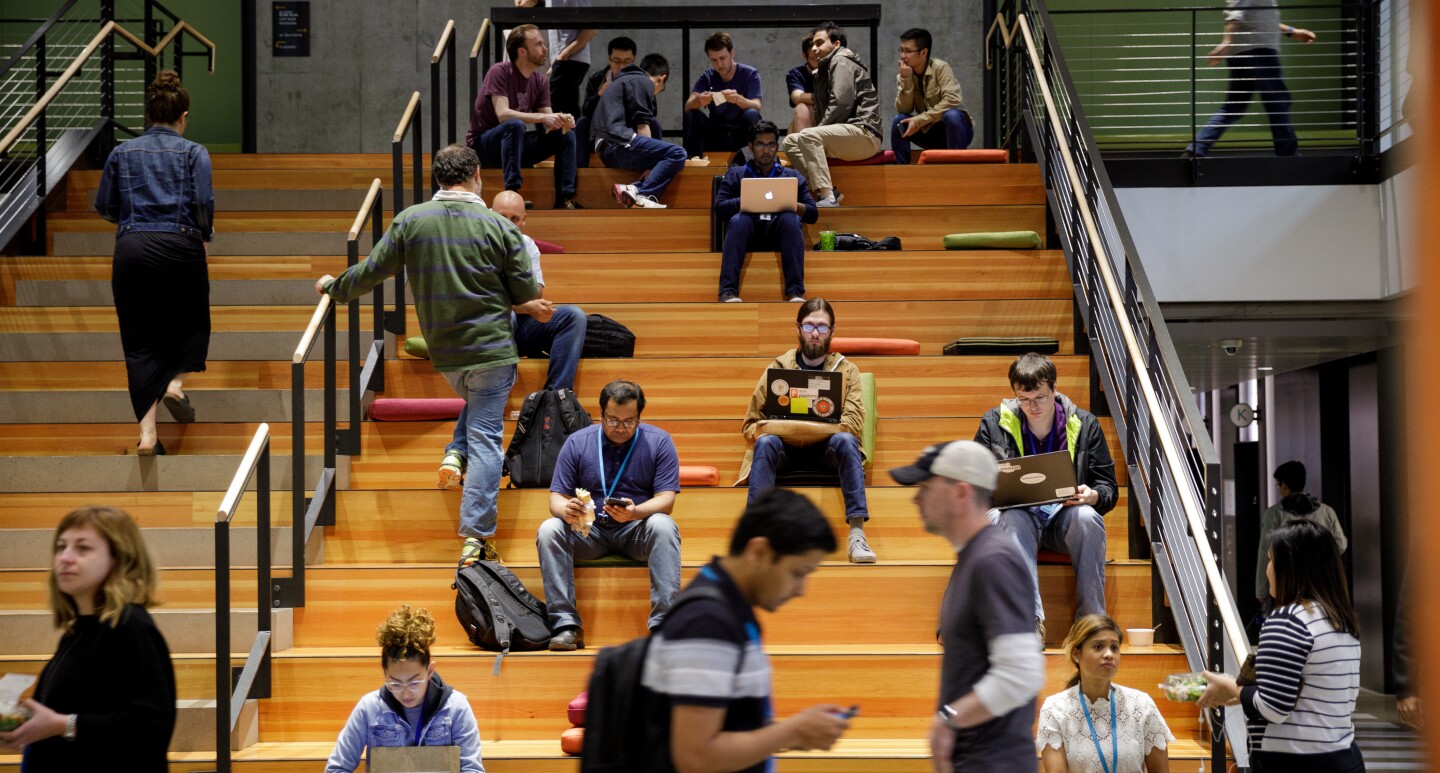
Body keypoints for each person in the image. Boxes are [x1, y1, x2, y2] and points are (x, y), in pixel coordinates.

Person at [317, 144, 537, 567]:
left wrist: (334, 287)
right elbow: (526, 293)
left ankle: (455, 455)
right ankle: (475, 536)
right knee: (487, 439)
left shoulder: (410, 221)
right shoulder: (501, 228)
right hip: (492, 348)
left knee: (477, 418)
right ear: (475, 176)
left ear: (438, 178)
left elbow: (372, 271)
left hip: (447, 354)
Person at [641, 487, 849, 772]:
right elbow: (696, 758)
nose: (801, 590)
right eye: (798, 573)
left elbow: (730, 725)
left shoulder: (729, 607)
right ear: (759, 552)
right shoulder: (707, 621)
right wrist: (793, 731)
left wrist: (791, 733)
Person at [889, 440, 1046, 769]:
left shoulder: (993, 560)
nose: (916, 498)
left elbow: (1022, 674)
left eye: (926, 487)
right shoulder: (975, 557)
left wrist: (948, 720)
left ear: (960, 493)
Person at [0, 506, 175, 771]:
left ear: (118, 558)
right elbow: (83, 709)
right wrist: (23, 723)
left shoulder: (129, 627)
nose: (65, 558)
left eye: (83, 548)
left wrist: (61, 724)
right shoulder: (79, 630)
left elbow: (150, 725)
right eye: (61, 547)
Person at [93, 70, 213, 456]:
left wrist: (133, 225)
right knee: (190, 320)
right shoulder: (194, 152)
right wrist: (201, 235)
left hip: (132, 248)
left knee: (139, 341)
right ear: (184, 117)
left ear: (149, 115)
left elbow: (105, 206)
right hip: (180, 245)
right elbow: (203, 205)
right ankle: (175, 384)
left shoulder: (121, 152)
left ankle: (147, 436)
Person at [437, 189, 587, 491]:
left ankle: (553, 402)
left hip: (520, 327)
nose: (508, 223)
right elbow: (476, 300)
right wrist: (518, 302)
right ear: (490, 214)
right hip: (487, 333)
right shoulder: (473, 243)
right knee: (489, 381)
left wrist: (515, 302)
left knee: (573, 316)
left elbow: (536, 293)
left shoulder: (526, 245)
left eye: (515, 219)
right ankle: (458, 451)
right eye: (502, 217)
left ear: (524, 220)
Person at [1197, 520, 1365, 770]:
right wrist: (1241, 696)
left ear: (1291, 566)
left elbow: (1272, 708)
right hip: (1344, 757)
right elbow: (1311, 695)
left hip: (1295, 762)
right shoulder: (1340, 619)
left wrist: (1232, 688)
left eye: (1271, 560)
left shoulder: (1287, 621)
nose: (1267, 571)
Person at [974, 352, 1118, 640]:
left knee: (1088, 518)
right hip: (1014, 518)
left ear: (1054, 389)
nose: (1033, 407)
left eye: (1040, 397)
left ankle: (1090, 628)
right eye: (1024, 400)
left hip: (1063, 520)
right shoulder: (994, 422)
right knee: (1013, 517)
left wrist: (1093, 495)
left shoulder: (1084, 423)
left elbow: (1108, 487)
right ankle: (1029, 623)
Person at [539, 380, 682, 651]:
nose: (621, 428)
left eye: (630, 421)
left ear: (640, 416)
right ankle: (566, 625)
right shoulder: (577, 442)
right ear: (601, 414)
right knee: (549, 529)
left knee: (663, 524)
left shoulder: (659, 441)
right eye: (613, 420)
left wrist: (636, 512)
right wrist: (566, 510)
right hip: (588, 531)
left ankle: (665, 626)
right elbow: (556, 498)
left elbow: (667, 500)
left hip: (635, 530)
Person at [737, 299, 875, 563]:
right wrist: (806, 428)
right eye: (809, 325)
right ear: (798, 328)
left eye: (822, 327)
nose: (815, 333)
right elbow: (751, 425)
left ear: (832, 331)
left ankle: (857, 533)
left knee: (846, 441)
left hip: (828, 453)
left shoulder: (847, 370)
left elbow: (852, 425)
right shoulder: (778, 368)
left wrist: (787, 426)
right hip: (784, 452)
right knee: (765, 444)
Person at [326, 606, 483, 773]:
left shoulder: (456, 708)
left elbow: (472, 769)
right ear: (385, 674)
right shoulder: (369, 708)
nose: (405, 692)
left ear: (430, 671)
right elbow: (337, 769)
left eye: (414, 682)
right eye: (395, 684)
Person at [1036, 615, 1174, 773]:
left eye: (1114, 647)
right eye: (1098, 646)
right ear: (1076, 654)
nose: (1109, 654)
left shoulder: (1141, 704)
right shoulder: (1055, 708)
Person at [466, 24, 581, 210]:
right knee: (514, 125)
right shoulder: (500, 72)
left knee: (566, 135)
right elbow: (503, 114)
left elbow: (548, 121)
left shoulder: (540, 81)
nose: (545, 49)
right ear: (522, 51)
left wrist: (562, 120)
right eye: (538, 45)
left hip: (513, 146)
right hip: (484, 146)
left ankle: (565, 198)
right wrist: (543, 119)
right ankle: (512, 193)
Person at [1184, 0, 1316, 158]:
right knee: (1278, 103)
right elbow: (1234, 14)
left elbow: (1261, 19)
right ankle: (1289, 158)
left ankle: (1196, 150)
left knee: (1233, 107)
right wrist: (1226, 41)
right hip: (1260, 52)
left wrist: (1293, 32)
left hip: (1243, 53)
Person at [714, 120, 818, 303]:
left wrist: (790, 203)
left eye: (771, 144)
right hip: (747, 232)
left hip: (780, 232)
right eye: (761, 144)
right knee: (739, 220)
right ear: (751, 147)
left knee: (790, 219)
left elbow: (813, 213)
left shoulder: (792, 176)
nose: (766, 149)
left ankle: (795, 292)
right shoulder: (736, 174)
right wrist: (747, 200)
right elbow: (720, 208)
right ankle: (728, 293)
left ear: (777, 147)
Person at [780, 22, 882, 208]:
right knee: (789, 142)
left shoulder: (840, 60)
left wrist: (817, 132)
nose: (814, 48)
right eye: (812, 44)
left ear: (836, 45)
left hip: (864, 133)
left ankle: (827, 198)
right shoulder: (826, 68)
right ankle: (826, 189)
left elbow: (841, 103)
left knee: (807, 136)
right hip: (847, 133)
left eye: (819, 43)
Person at [593, 54, 688, 210]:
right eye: (659, 91)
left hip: (607, 147)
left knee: (657, 133)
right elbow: (642, 125)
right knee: (678, 153)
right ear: (661, 79)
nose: (654, 94)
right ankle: (642, 194)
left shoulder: (626, 80)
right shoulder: (642, 81)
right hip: (616, 142)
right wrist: (652, 158)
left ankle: (632, 189)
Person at [1254, 460, 1347, 606]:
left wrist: (1261, 591)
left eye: (1279, 485)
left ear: (1284, 486)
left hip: (1288, 585)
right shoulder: (1326, 511)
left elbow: (1265, 552)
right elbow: (1341, 544)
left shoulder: (1274, 514)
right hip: (1321, 583)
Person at [892, 27, 973, 165]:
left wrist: (919, 120)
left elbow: (952, 100)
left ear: (924, 52)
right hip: (928, 132)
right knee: (899, 121)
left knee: (952, 115)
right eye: (901, 50)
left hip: (955, 131)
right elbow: (904, 109)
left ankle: (958, 169)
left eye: (908, 51)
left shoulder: (941, 68)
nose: (903, 56)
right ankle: (901, 170)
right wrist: (906, 79)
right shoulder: (904, 74)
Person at [682, 32, 763, 161]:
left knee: (751, 114)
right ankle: (693, 159)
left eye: (722, 58)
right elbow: (688, 105)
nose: (719, 64)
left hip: (740, 132)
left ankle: (752, 162)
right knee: (692, 114)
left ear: (732, 53)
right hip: (716, 131)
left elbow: (757, 105)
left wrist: (738, 99)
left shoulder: (750, 74)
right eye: (714, 60)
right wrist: (699, 100)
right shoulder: (708, 76)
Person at [513, 0, 597, 117]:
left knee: (548, 112)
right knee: (567, 113)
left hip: (570, 59)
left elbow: (593, 26)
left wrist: (564, 55)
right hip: (564, 59)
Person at [577, 36, 649, 167]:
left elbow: (650, 111)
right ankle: (580, 170)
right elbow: (586, 111)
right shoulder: (597, 78)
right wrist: (599, 95)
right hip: (603, 126)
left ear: (634, 60)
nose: (621, 66)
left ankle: (651, 166)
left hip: (628, 125)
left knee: (653, 124)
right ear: (609, 59)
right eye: (617, 61)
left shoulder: (640, 80)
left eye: (627, 61)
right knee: (582, 123)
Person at [786, 34, 820, 135]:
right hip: (810, 117)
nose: (819, 61)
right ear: (804, 56)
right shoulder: (796, 73)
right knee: (802, 107)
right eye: (814, 58)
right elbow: (797, 97)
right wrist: (823, 97)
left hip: (832, 114)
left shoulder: (834, 69)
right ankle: (802, 149)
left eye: (821, 57)